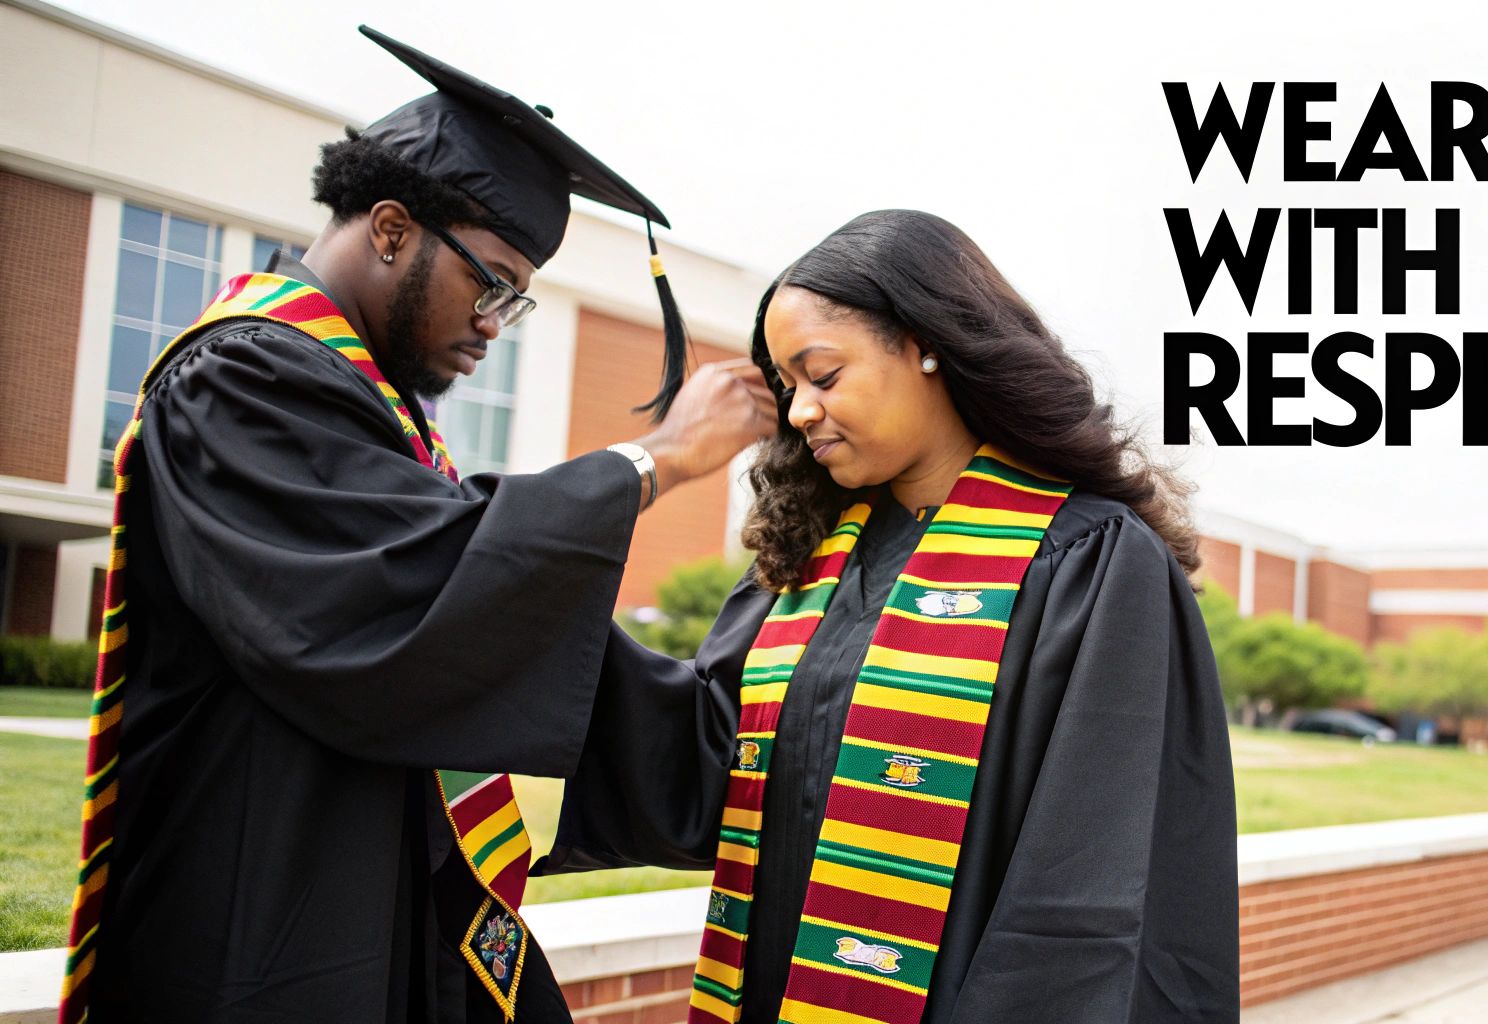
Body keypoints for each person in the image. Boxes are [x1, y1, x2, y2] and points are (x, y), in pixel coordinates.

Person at [60, 27, 774, 1024]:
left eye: (515, 299)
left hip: (359, 894)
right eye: (490, 280)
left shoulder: (369, 410)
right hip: (256, 907)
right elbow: (404, 597)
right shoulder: (242, 377)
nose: (495, 318)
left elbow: (489, 614)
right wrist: (658, 461)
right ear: (391, 228)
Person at [541, 210, 1240, 1023]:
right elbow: (711, 774)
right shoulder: (806, 565)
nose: (799, 411)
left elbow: (1092, 889)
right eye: (788, 386)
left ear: (925, 344)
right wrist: (544, 602)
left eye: (824, 376)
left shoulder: (1090, 563)